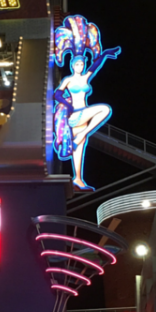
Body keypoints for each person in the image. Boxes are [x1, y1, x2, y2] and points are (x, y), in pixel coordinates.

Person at [53, 15, 121, 190]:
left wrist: (105, 54)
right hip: (75, 115)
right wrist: (68, 106)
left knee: (80, 148)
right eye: (78, 64)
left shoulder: (85, 78)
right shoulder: (68, 80)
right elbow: (57, 94)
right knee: (104, 109)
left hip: (82, 117)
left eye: (82, 64)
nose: (81, 66)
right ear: (73, 65)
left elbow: (96, 64)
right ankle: (82, 135)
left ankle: (78, 179)